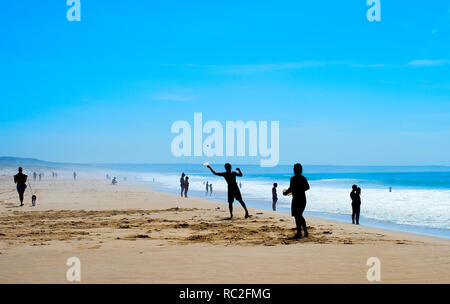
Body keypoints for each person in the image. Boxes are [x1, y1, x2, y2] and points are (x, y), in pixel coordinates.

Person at [283, 163, 310, 239]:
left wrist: (297, 190)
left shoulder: (299, 178)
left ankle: (302, 232)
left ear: (300, 170)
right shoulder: (296, 178)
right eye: (294, 169)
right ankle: (301, 232)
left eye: (296, 169)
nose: (295, 171)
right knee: (297, 216)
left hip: (300, 199)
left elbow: (307, 187)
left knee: (298, 215)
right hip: (297, 199)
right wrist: (286, 192)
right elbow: (291, 188)